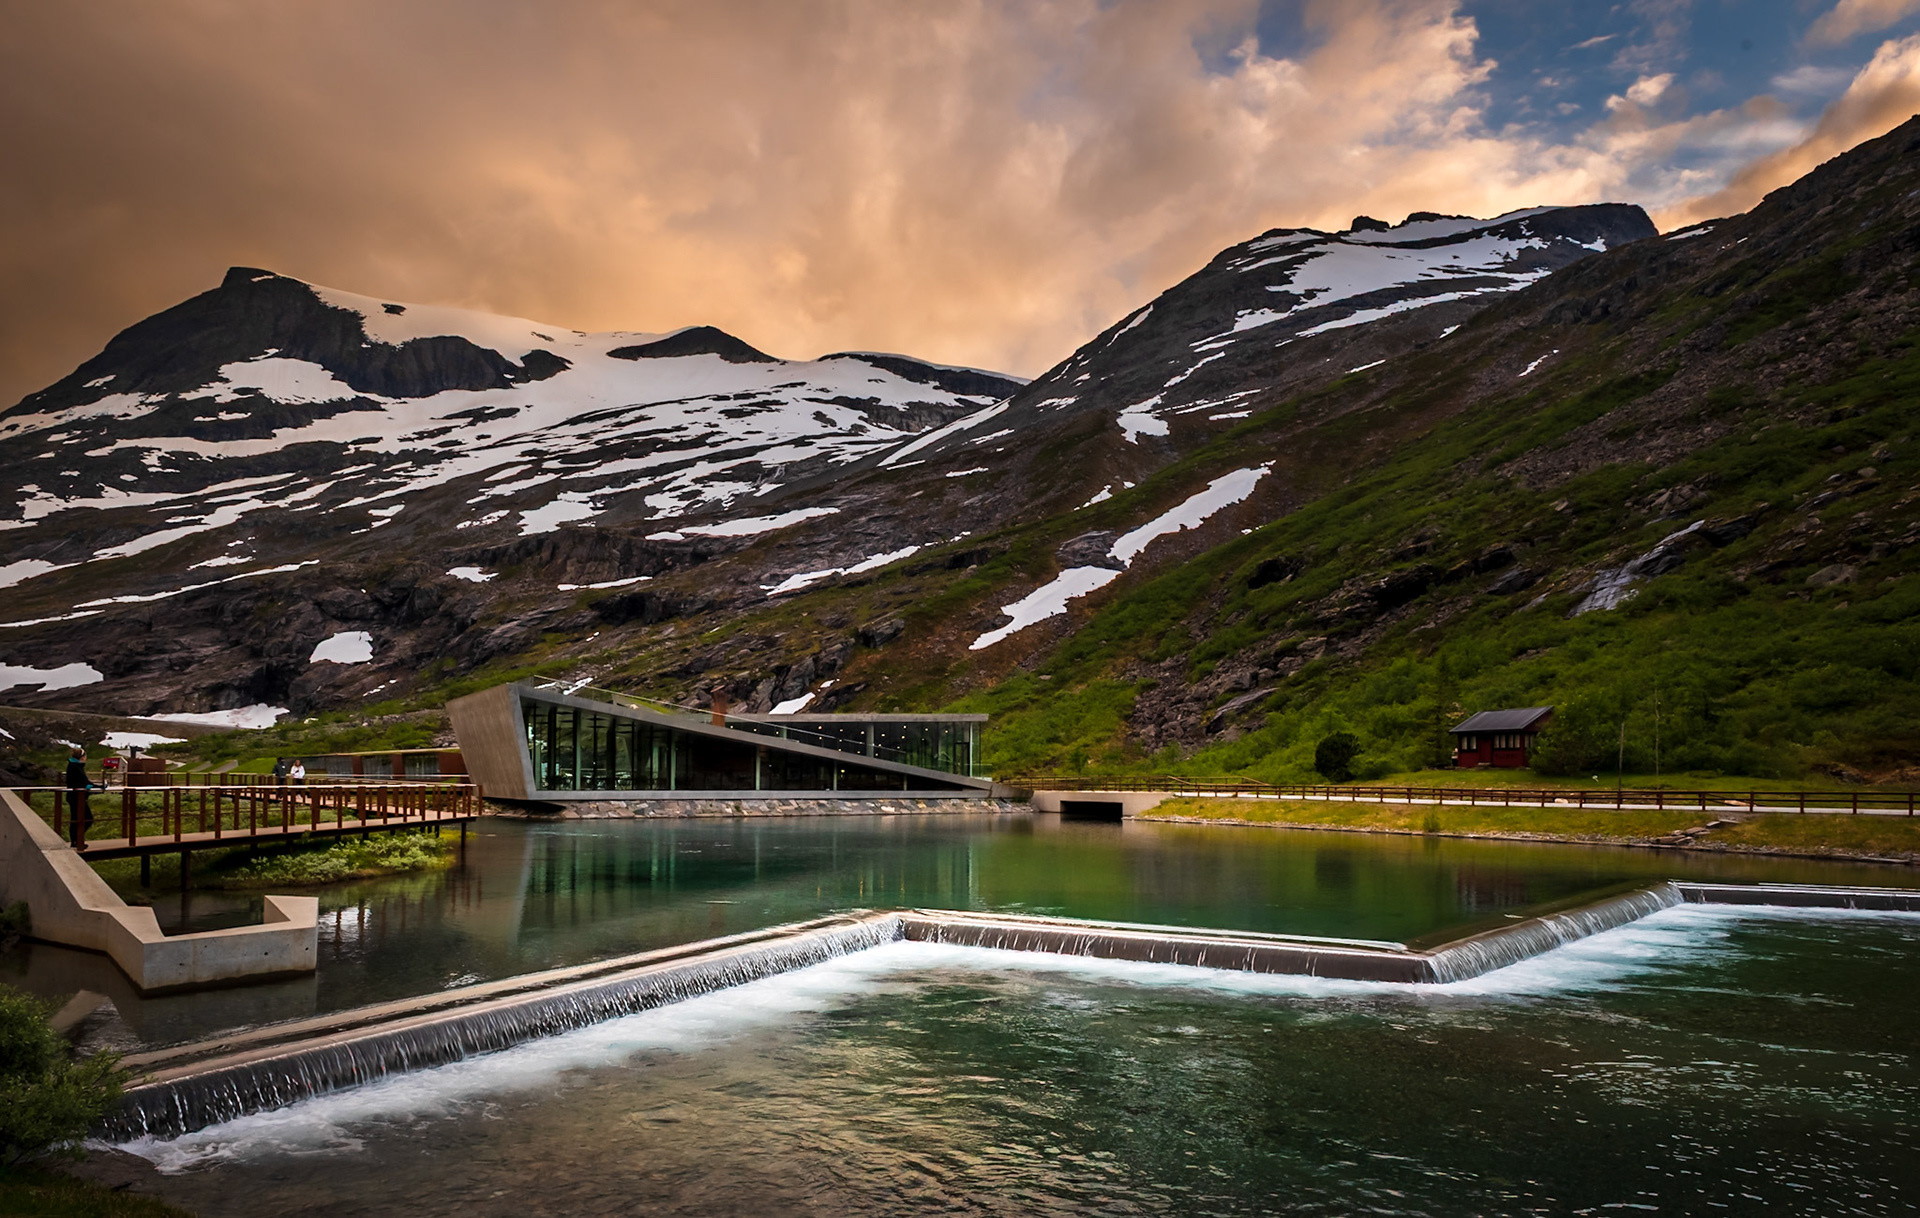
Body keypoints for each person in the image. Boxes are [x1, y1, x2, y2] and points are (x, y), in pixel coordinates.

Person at [65, 745, 95, 850]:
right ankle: (77, 839)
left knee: (77, 818)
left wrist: (96, 786)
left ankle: (75, 840)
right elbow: (81, 782)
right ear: (82, 757)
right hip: (77, 797)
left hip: (76, 796)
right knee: (86, 818)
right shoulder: (75, 767)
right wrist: (89, 786)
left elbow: (83, 782)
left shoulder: (74, 766)